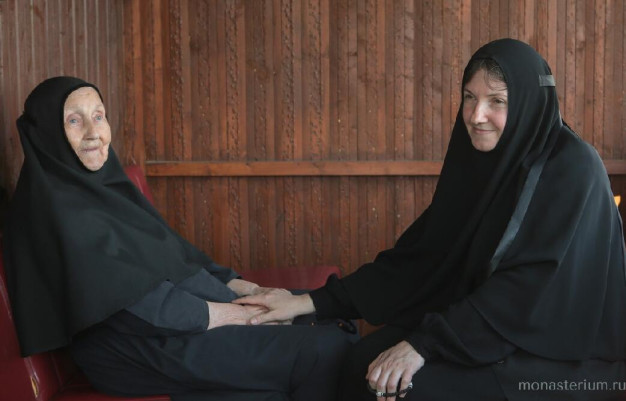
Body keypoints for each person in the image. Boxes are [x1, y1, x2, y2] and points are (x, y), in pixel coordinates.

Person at [236, 38, 626, 400]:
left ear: (529, 103)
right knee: (359, 363)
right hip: (481, 327)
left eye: (497, 101)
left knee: (402, 389)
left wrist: (425, 344)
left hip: (555, 354)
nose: (476, 116)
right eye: (469, 97)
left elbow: (528, 287)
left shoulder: (572, 166)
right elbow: (422, 258)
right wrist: (310, 302)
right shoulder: (484, 160)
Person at [2, 76, 356, 401]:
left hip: (176, 320)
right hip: (132, 347)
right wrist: (244, 315)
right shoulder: (53, 210)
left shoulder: (106, 187)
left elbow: (178, 256)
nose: (95, 133)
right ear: (48, 133)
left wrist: (251, 290)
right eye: (74, 121)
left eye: (99, 116)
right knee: (323, 349)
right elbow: (138, 308)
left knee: (332, 314)